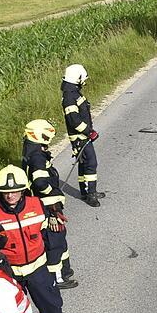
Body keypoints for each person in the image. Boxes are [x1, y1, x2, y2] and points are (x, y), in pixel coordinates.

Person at [0, 166, 80, 313]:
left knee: (52, 305)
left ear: (23, 190)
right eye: (5, 192)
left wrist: (54, 263)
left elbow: (50, 236)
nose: (10, 196)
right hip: (9, 273)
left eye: (15, 191)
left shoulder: (37, 205)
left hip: (38, 268)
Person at [20, 120, 76, 290]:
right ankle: (56, 278)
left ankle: (64, 269)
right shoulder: (37, 157)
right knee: (54, 243)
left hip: (48, 206)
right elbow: (40, 184)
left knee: (60, 240)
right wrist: (54, 193)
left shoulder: (32, 151)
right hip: (49, 208)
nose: (49, 139)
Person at [61, 64, 100, 207]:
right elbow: (74, 120)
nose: (84, 81)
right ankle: (91, 195)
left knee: (84, 164)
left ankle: (87, 191)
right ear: (77, 78)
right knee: (90, 163)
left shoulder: (73, 92)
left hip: (82, 136)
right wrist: (89, 132)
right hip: (80, 137)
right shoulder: (70, 97)